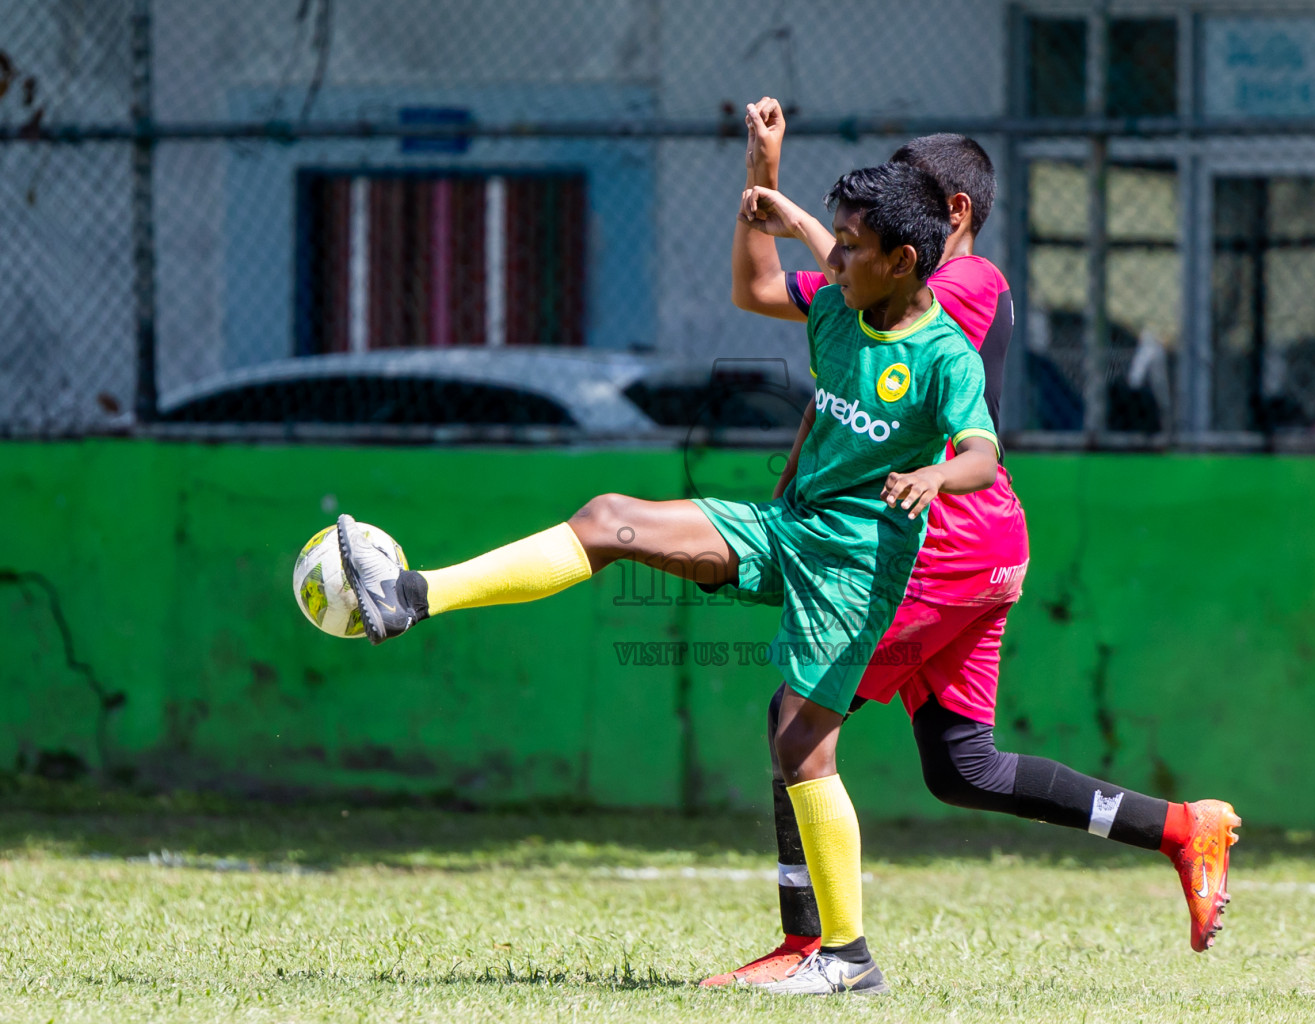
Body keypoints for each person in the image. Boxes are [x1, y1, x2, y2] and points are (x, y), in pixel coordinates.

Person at [336, 160, 1000, 995]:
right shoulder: (842, 302)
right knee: (610, 517)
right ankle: (411, 596)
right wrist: (763, 182)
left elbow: (982, 450)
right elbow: (762, 280)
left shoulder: (945, 357)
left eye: (851, 248)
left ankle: (848, 960)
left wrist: (939, 477)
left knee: (801, 746)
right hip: (786, 527)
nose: (832, 263)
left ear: (902, 261)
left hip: (856, 566)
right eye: (835, 245)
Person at [701, 97, 1241, 989]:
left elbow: (875, 339)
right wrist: (761, 181)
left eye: (909, 202)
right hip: (962, 549)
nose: (870, 234)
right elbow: (762, 293)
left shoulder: (968, 284)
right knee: (964, 767)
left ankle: (814, 949)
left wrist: (796, 213)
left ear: (949, 215)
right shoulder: (874, 288)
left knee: (794, 720)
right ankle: (1183, 828)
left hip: (938, 545)